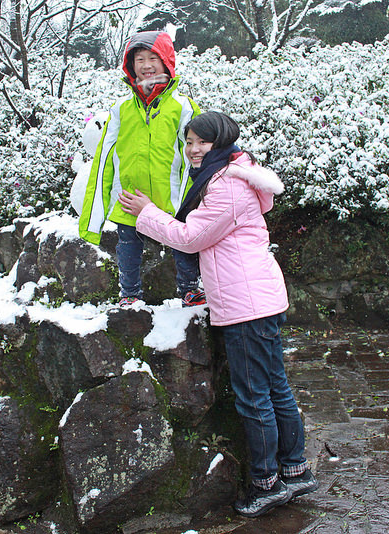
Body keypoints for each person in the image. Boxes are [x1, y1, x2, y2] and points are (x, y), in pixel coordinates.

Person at [118, 111, 318, 518]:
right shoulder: (229, 175)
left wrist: (147, 212)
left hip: (245, 305)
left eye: (200, 143)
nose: (192, 150)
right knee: (274, 386)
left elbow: (190, 238)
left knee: (254, 395)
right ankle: (294, 469)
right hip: (257, 299)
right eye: (188, 142)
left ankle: (267, 483)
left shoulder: (225, 185)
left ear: (220, 142)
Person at [78, 30, 204, 307]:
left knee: (180, 243)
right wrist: (95, 213)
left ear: (166, 62)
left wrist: (194, 197)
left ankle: (190, 288)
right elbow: (104, 160)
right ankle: (130, 294)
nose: (146, 65)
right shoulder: (121, 109)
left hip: (170, 197)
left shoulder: (183, 107)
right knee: (128, 248)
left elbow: (197, 153)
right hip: (129, 197)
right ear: (130, 65)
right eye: (139, 59)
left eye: (153, 58)